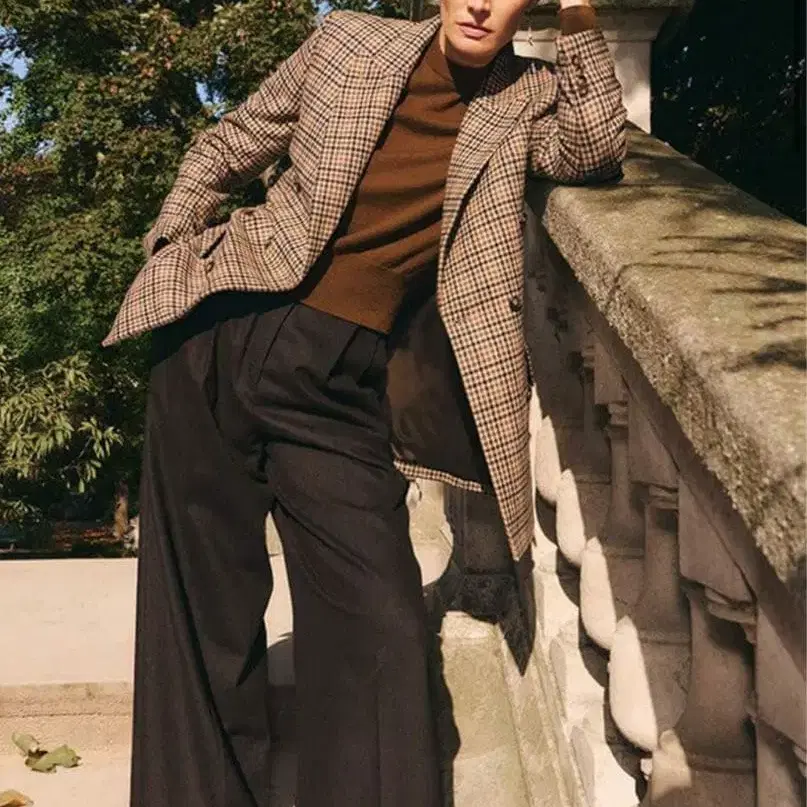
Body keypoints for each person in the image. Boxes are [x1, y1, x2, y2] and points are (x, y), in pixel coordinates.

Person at [103, 0, 626, 802]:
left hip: (339, 387)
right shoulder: (349, 42)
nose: (480, 4)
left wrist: (581, 15)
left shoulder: (525, 97)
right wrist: (170, 245)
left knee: (381, 625)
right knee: (199, 618)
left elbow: (594, 147)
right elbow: (229, 143)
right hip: (217, 333)